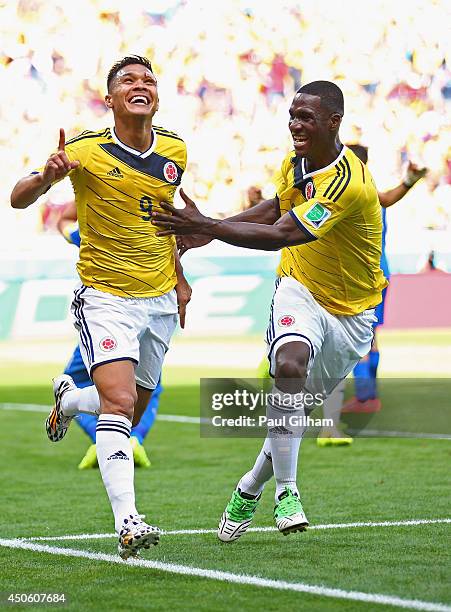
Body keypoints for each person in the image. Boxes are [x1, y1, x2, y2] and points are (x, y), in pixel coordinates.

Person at [153, 80, 387, 541]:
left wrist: (211, 227)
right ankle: (287, 491)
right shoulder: (297, 163)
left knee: (293, 410)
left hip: (352, 313)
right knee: (288, 364)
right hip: (298, 287)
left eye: (307, 118)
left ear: (334, 122)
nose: (295, 125)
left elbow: (284, 233)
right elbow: (277, 208)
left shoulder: (348, 185)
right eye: (292, 115)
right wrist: (212, 229)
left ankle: (248, 488)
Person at [11, 55, 192, 559]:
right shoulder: (86, 150)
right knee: (118, 404)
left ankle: (69, 400)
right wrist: (47, 177)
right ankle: (128, 523)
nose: (141, 86)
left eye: (148, 80)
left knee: (126, 408)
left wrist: (179, 278)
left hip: (157, 299)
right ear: (109, 99)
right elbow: (17, 198)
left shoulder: (175, 150)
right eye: (128, 81)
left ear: (156, 96)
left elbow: (165, 220)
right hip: (105, 297)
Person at [57, 202, 165, 469]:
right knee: (146, 385)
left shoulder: (94, 230)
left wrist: (76, 210)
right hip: (150, 312)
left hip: (105, 318)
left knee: (79, 378)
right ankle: (133, 439)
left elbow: (66, 223)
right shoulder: (147, 227)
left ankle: (101, 436)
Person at [340, 144, 427, 415]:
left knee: (355, 335)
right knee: (369, 334)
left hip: (361, 275)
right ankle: (369, 395)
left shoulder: (353, 190)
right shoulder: (368, 188)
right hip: (379, 271)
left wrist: (408, 181)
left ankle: (366, 397)